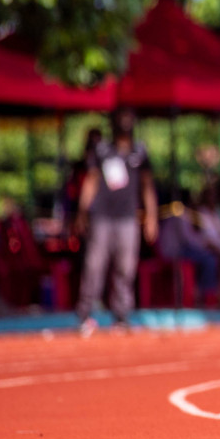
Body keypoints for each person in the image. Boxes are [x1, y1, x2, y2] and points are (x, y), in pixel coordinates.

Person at [74, 108, 157, 335]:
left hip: (128, 218)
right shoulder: (102, 150)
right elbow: (91, 181)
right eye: (121, 118)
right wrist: (82, 211)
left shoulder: (140, 151)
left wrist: (151, 217)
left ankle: (121, 315)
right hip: (101, 217)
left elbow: (147, 185)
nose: (125, 122)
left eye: (129, 118)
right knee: (94, 267)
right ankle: (86, 314)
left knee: (126, 268)